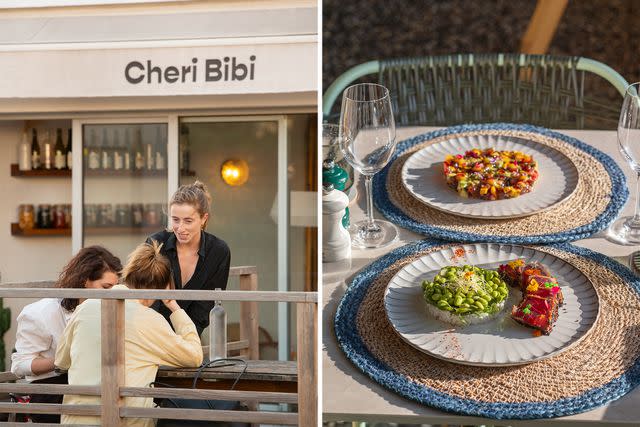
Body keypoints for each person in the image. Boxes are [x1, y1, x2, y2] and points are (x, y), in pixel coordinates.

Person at [55, 240, 203, 427]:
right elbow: (194, 356)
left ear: (128, 275)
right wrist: (173, 305)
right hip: (124, 421)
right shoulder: (151, 320)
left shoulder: (85, 307)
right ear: (162, 287)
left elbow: (61, 361)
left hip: (75, 420)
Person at [11, 245, 122, 423]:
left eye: (114, 289)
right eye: (105, 287)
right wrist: (63, 361)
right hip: (53, 390)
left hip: (97, 386)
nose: (110, 295)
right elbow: (20, 365)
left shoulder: (111, 311)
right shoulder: (41, 313)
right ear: (85, 281)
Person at [147, 180, 230, 336]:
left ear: (204, 218)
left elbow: (207, 305)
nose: (180, 228)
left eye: (188, 221)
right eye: (175, 220)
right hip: (152, 333)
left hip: (190, 334)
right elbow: (144, 295)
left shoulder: (219, 251)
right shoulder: (155, 244)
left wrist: (187, 336)